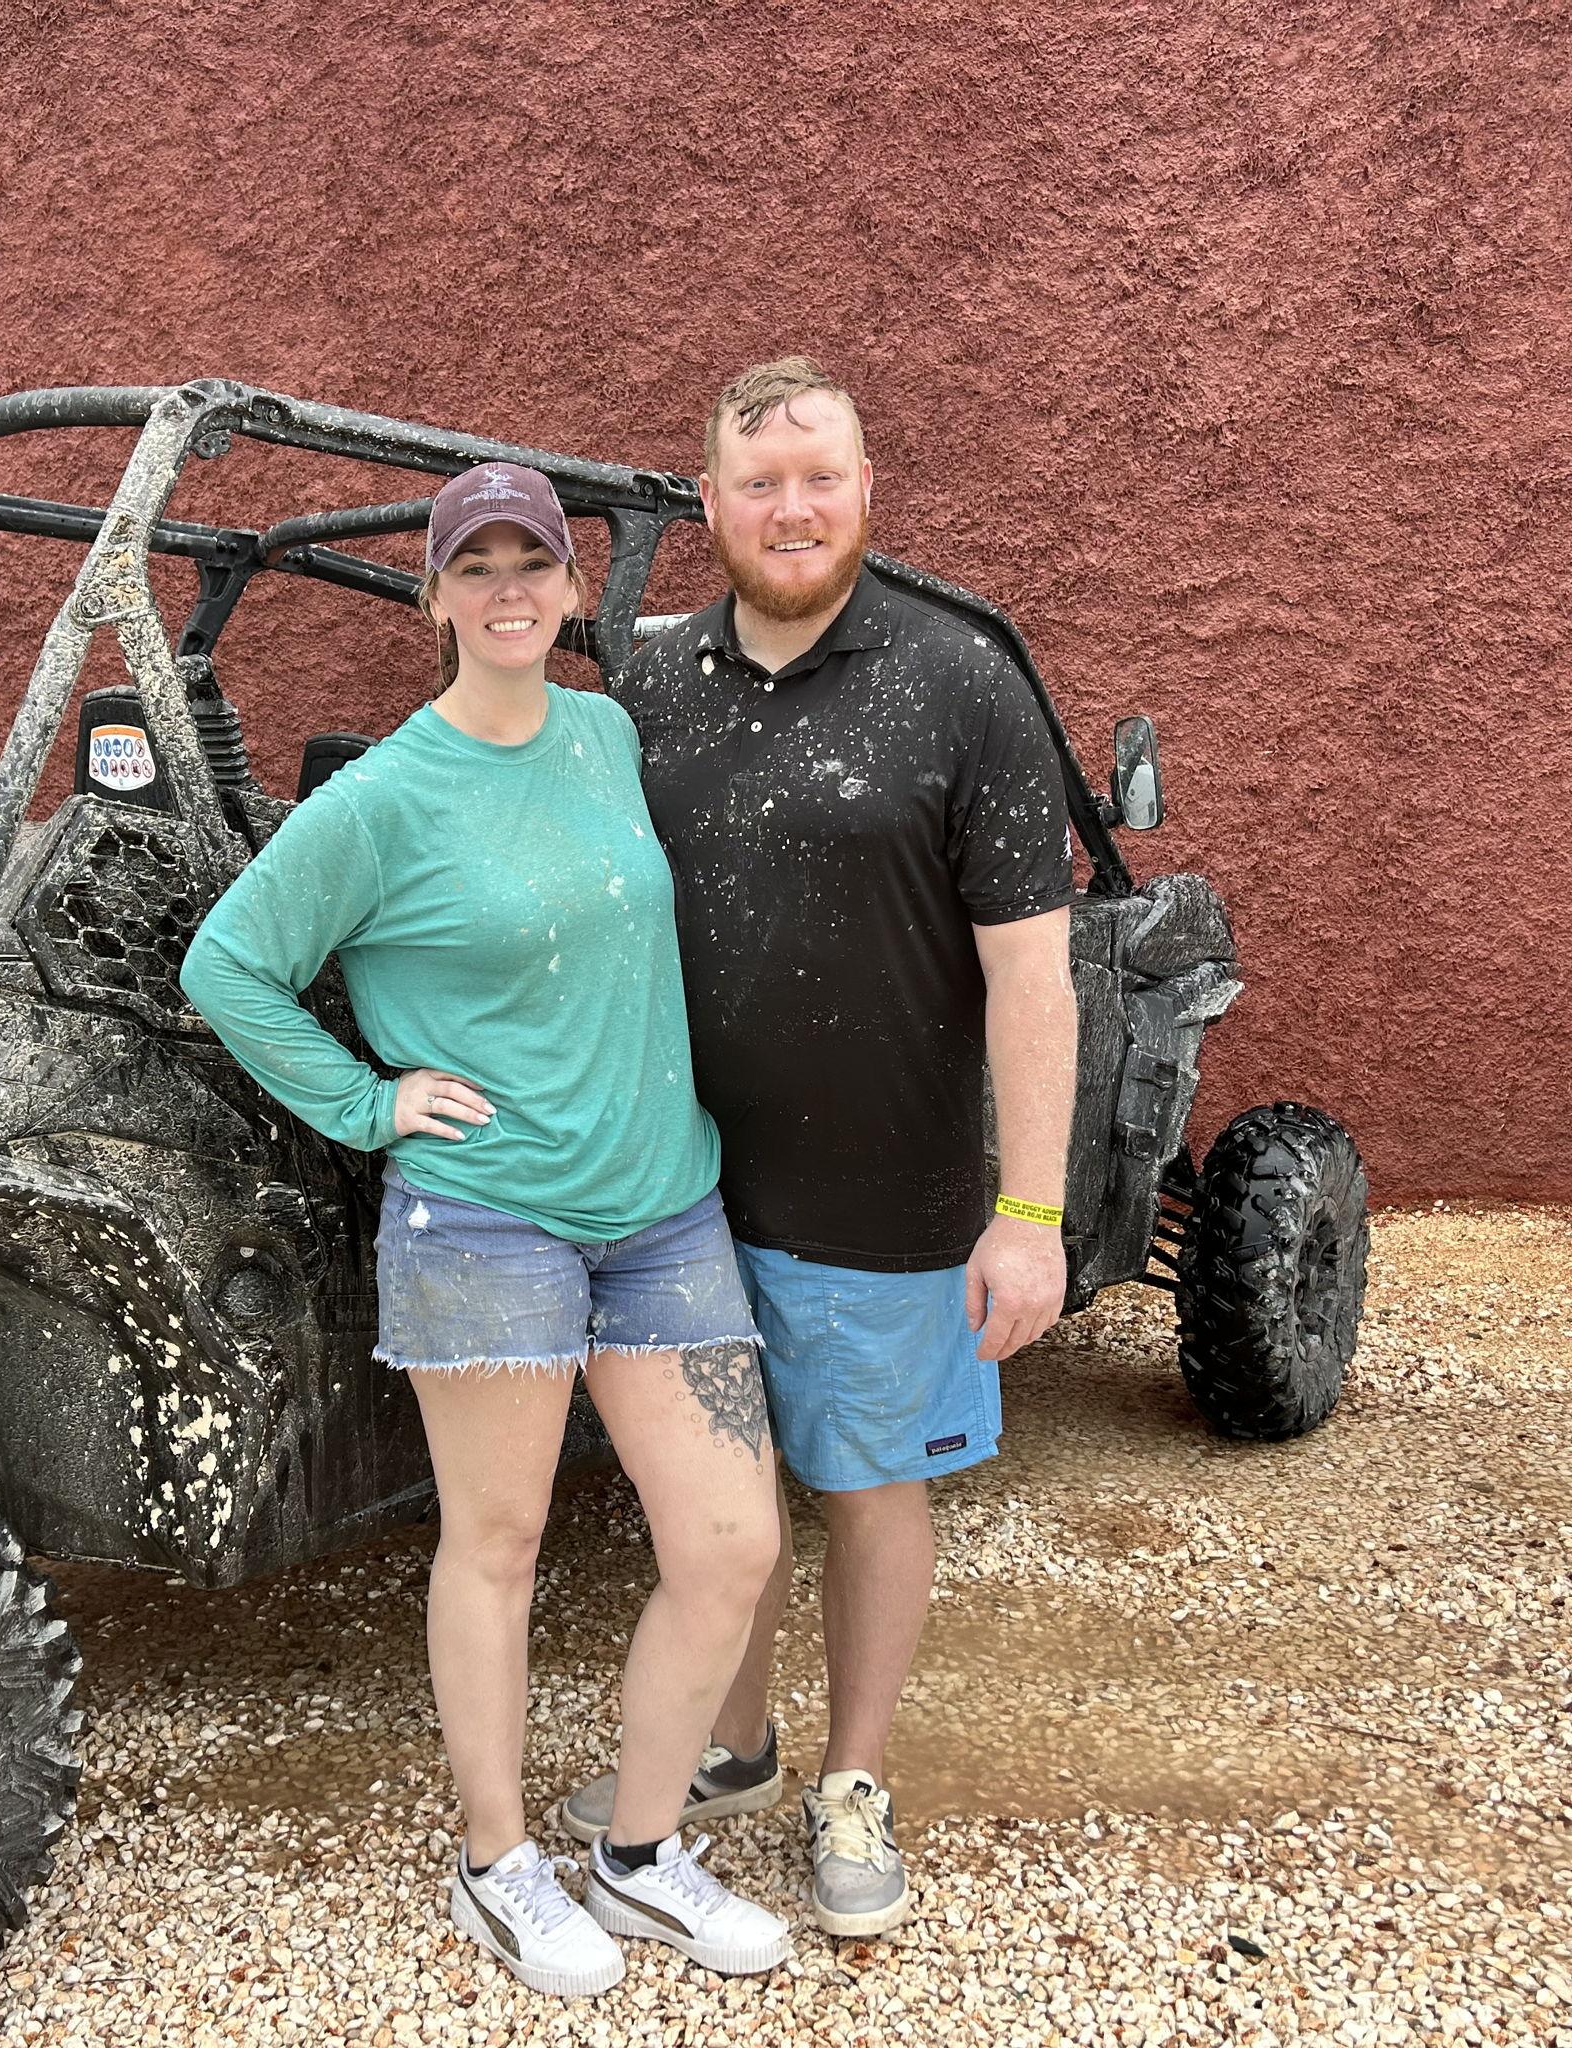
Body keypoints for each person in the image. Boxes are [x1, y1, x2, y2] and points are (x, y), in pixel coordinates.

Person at [180, 462, 791, 1994]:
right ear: (436, 595)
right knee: (500, 1544)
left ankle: (642, 1854)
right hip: (489, 1225)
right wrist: (373, 1108)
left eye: (536, 563)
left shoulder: (603, 735)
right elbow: (230, 967)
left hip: (663, 1212)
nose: (510, 588)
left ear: (573, 592)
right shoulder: (384, 798)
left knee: (731, 1542)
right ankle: (496, 1859)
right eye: (478, 566)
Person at [560, 358, 1077, 1937]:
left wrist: (1032, 1212)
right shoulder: (642, 694)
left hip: (890, 1208)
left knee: (867, 1491)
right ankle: (736, 1747)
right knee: (721, 1504)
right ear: (707, 503)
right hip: (681, 1201)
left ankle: (853, 1779)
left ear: (867, 492)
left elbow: (1032, 974)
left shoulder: (964, 679)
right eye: (758, 481)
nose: (791, 508)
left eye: (820, 477)